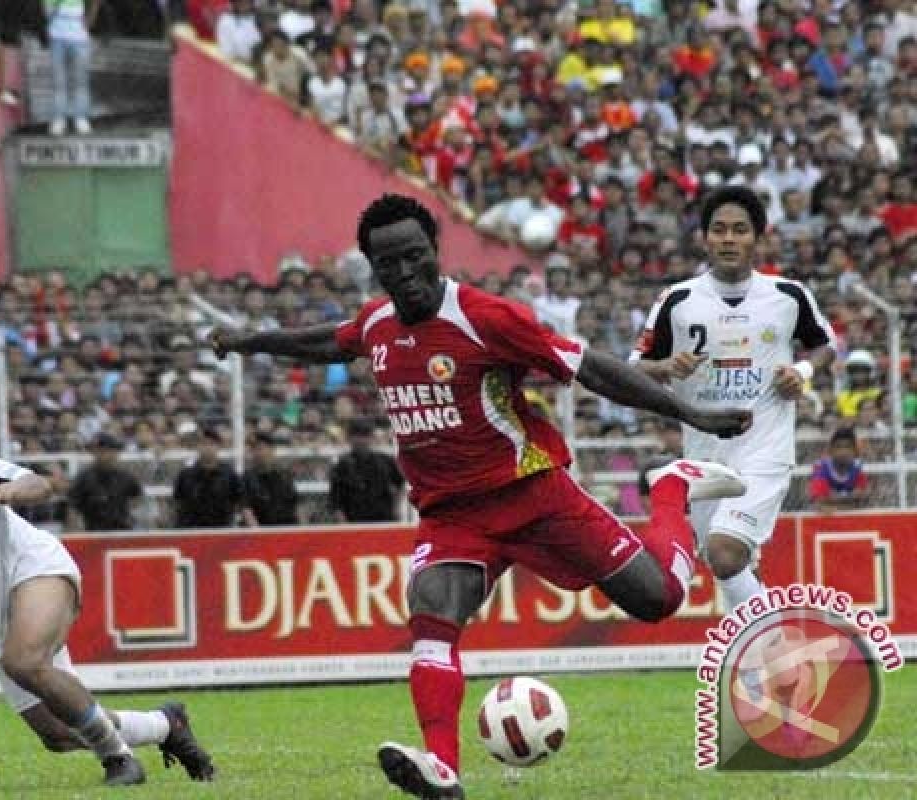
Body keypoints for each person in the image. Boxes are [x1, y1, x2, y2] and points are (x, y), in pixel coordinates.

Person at [211, 193, 752, 800]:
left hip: (535, 494)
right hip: (453, 515)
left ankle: (671, 487)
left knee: (659, 598)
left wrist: (691, 411)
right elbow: (327, 342)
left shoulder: (485, 317)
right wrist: (250, 341)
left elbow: (592, 368)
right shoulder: (376, 324)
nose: (406, 273)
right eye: (390, 264)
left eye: (416, 257)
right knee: (432, 614)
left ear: (434, 251)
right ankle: (444, 769)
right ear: (374, 268)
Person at [0, 442, 215, 785]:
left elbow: (38, 483)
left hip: (32, 567)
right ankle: (164, 724)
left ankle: (118, 759)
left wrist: (8, 489)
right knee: (60, 734)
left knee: (23, 661)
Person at [631, 185, 836, 616]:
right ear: (704, 238)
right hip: (705, 460)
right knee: (729, 566)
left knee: (725, 552)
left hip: (765, 449)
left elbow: (825, 345)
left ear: (757, 239)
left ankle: (774, 653)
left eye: (739, 230)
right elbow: (635, 366)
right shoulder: (677, 300)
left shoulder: (787, 295)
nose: (729, 239)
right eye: (719, 230)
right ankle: (767, 663)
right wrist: (667, 367)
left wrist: (801, 372)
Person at [328, 417, 405, 523]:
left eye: (365, 435)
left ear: (372, 437)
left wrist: (397, 508)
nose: (361, 440)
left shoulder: (386, 461)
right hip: (354, 522)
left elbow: (400, 483)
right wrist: (344, 526)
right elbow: (336, 501)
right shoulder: (341, 466)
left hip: (384, 520)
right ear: (349, 438)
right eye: (356, 435)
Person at [67, 432, 144, 530]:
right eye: (97, 451)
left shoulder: (126, 477)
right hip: (94, 532)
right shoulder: (83, 478)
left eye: (104, 451)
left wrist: (130, 516)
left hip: (122, 531)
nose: (100, 454)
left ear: (114, 452)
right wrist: (76, 532)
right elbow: (73, 507)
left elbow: (137, 497)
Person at [44, 0, 100, 136]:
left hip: (79, 35)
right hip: (57, 35)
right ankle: (59, 117)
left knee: (80, 79)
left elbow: (94, 2)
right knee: (58, 79)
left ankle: (80, 117)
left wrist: (87, 23)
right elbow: (47, 11)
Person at [172, 428, 248, 528]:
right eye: (203, 444)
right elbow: (177, 504)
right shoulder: (185, 475)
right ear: (197, 447)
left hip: (222, 532)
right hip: (191, 532)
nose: (207, 448)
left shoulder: (230, 475)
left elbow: (241, 503)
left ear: (219, 447)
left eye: (212, 444)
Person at [241, 431, 299, 525]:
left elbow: (294, 505)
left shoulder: (285, 475)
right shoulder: (247, 477)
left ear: (272, 450)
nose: (258, 453)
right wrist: (259, 533)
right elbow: (246, 508)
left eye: (261, 448)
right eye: (254, 449)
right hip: (260, 531)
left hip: (285, 529)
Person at [808, 427, 870, 512]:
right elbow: (819, 502)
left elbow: (862, 497)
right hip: (824, 520)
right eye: (838, 447)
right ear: (831, 450)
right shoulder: (821, 468)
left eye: (848, 447)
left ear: (855, 451)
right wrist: (849, 499)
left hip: (848, 515)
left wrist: (832, 499)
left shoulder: (857, 468)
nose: (843, 452)